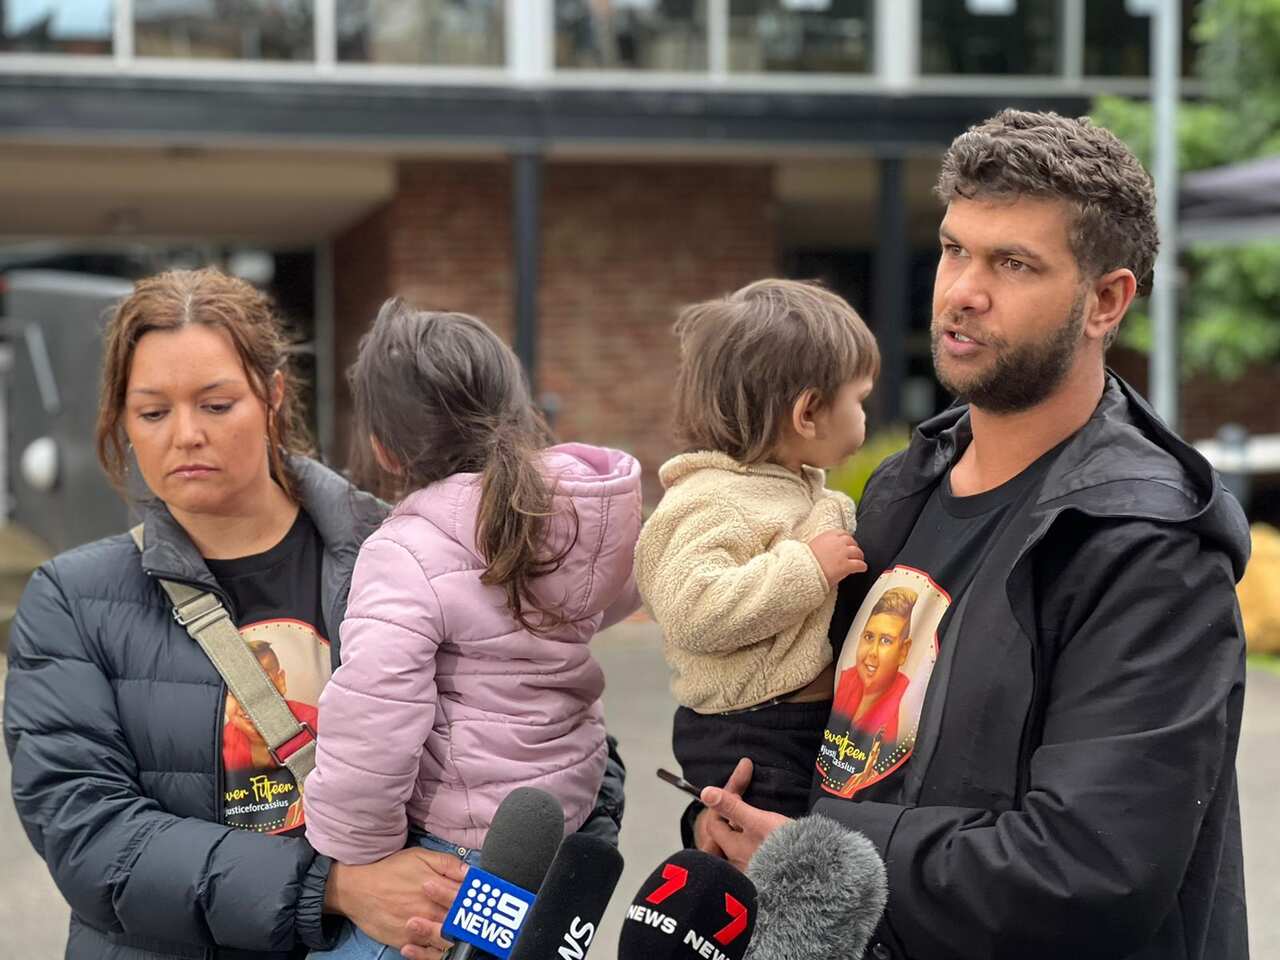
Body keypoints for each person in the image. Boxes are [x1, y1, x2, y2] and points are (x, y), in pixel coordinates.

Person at [694, 110, 1251, 960]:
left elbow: (1089, 872)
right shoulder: (900, 488)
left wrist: (814, 855)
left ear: (1105, 300)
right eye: (955, 249)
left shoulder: (1146, 546)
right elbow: (842, 734)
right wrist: (744, 795)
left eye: (1013, 264)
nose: (961, 290)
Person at [3, 268, 627, 960]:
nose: (185, 435)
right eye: (152, 412)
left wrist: (515, 885)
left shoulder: (409, 550)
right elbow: (89, 836)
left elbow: (548, 720)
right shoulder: (71, 597)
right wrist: (332, 888)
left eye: (215, 405)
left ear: (271, 396)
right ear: (120, 419)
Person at [303, 300, 642, 958]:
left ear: (383, 449)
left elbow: (376, 713)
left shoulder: (405, 548)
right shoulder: (568, 519)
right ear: (517, 411)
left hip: (452, 851)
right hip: (562, 828)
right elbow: (617, 596)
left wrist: (357, 854)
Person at [634, 279, 876, 819]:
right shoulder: (711, 499)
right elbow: (694, 610)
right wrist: (807, 568)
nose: (866, 416)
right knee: (771, 872)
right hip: (751, 732)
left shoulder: (796, 485)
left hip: (796, 724)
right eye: (860, 400)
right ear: (808, 413)